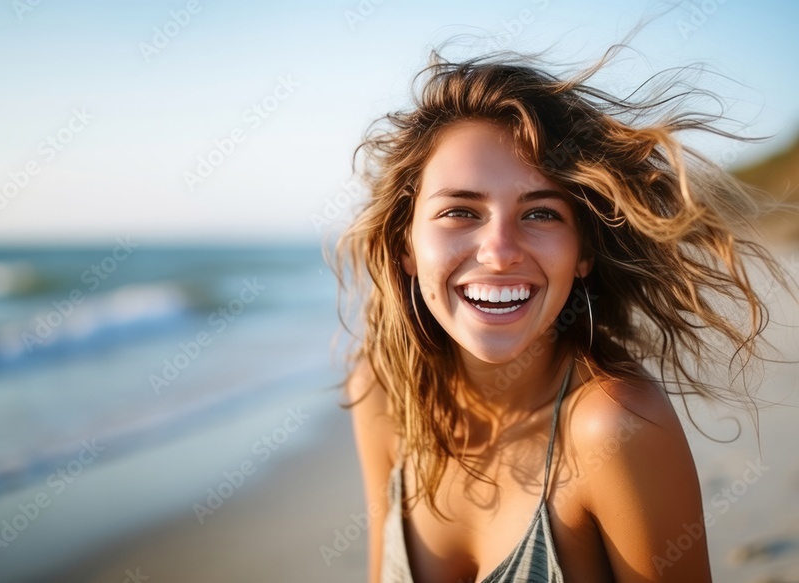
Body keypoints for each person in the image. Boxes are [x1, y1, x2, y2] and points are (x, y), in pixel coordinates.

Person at [333, 41, 789, 582]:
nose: (499, 251)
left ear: (584, 253)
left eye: (541, 213)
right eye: (460, 210)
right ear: (406, 245)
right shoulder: (385, 394)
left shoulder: (616, 429)